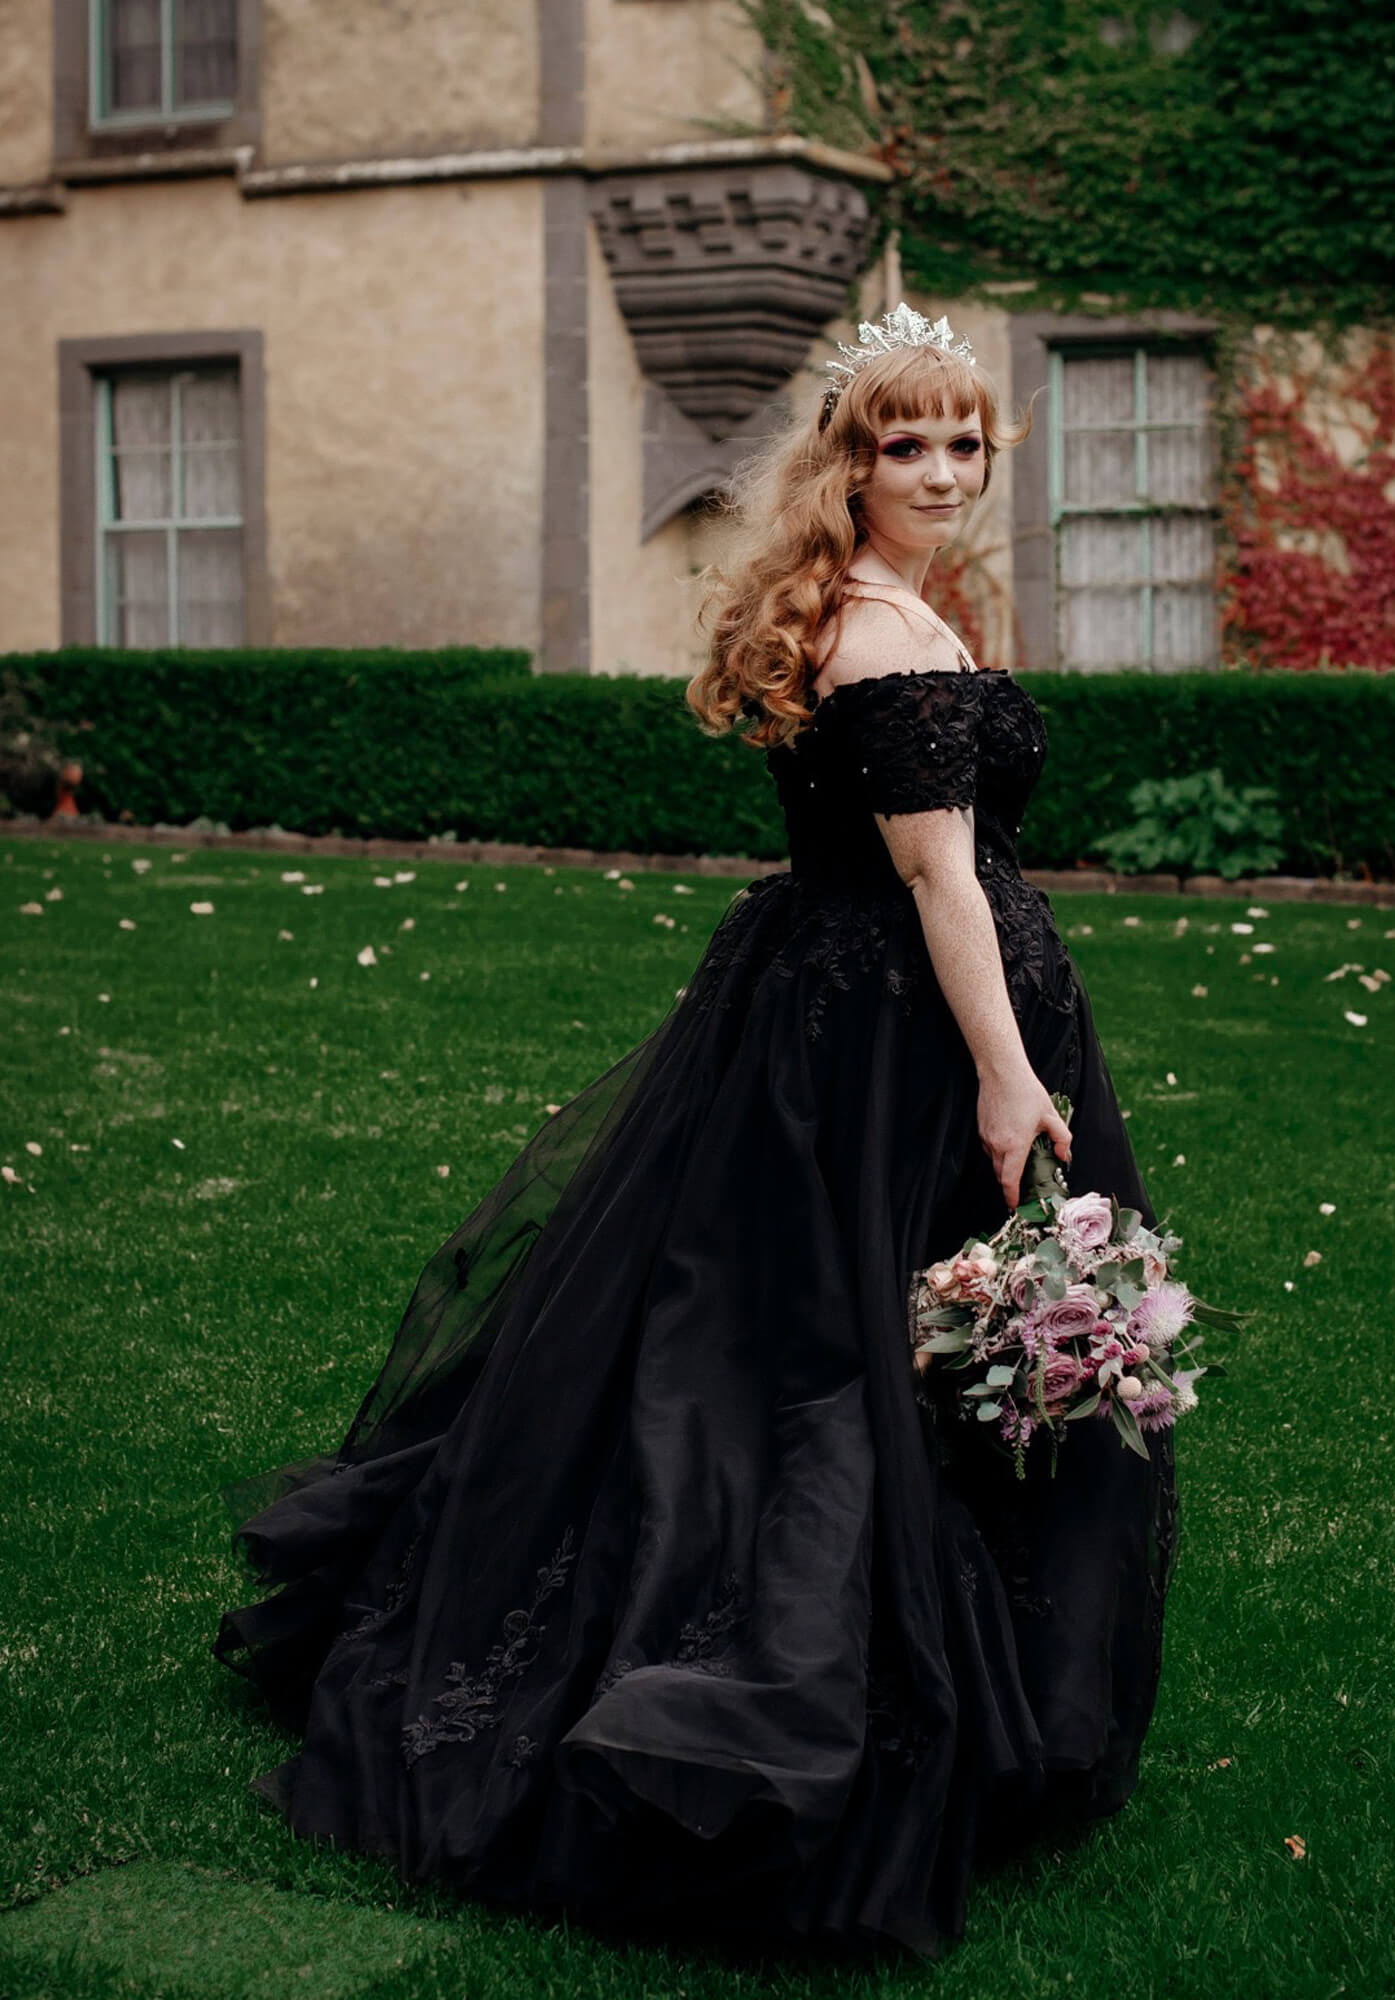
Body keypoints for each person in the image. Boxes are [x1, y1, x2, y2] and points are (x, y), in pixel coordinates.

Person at [212, 304, 1180, 1965]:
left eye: (963, 441)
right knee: (844, 1344)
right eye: (904, 443)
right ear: (850, 462)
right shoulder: (875, 635)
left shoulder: (895, 606)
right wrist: (1007, 1073)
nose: (941, 470)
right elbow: (940, 877)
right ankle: (786, 1681)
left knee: (890, 1332)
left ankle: (932, 1648)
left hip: (851, 1015)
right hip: (887, 1036)